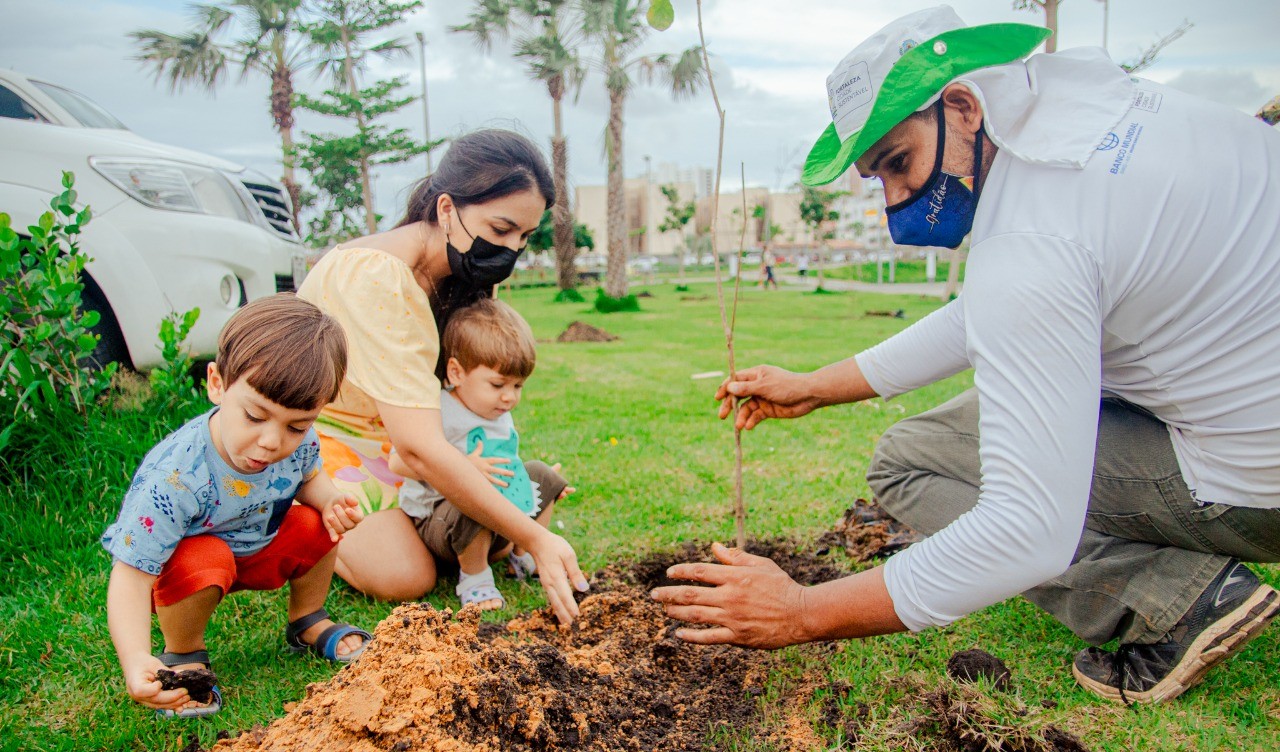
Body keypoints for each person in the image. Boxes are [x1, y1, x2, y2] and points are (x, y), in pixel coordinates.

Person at [652, 5, 1280, 706]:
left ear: (961, 106)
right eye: (876, 177)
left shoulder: (1033, 239)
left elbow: (1026, 530)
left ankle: (1179, 599)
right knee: (927, 440)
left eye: (898, 163)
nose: (894, 199)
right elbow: (997, 309)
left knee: (909, 462)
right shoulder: (1102, 110)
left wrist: (800, 611)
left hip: (1255, 488)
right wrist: (815, 387)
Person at [296, 129, 588, 623]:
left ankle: (421, 525)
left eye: (523, 237)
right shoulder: (374, 276)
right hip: (339, 442)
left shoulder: (464, 274)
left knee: (485, 542)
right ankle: (302, 504)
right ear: (448, 209)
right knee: (406, 578)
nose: (510, 251)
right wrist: (534, 536)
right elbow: (415, 449)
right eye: (500, 229)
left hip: (414, 443)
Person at [102, 294, 369, 718]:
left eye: (297, 425)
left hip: (258, 549)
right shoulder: (177, 477)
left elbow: (310, 476)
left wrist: (332, 499)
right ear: (217, 383)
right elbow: (131, 575)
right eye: (255, 416)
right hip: (190, 573)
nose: (271, 442)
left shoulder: (298, 445)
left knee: (318, 522)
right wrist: (135, 659)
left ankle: (307, 620)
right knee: (206, 556)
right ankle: (184, 654)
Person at [391, 298, 573, 611]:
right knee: (470, 491)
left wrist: (533, 482)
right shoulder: (439, 410)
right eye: (498, 384)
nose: (509, 397)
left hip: (495, 518)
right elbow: (398, 461)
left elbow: (498, 460)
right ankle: (474, 579)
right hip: (439, 523)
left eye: (518, 386)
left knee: (543, 474)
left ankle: (523, 554)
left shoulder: (493, 408)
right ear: (457, 372)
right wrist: (462, 467)